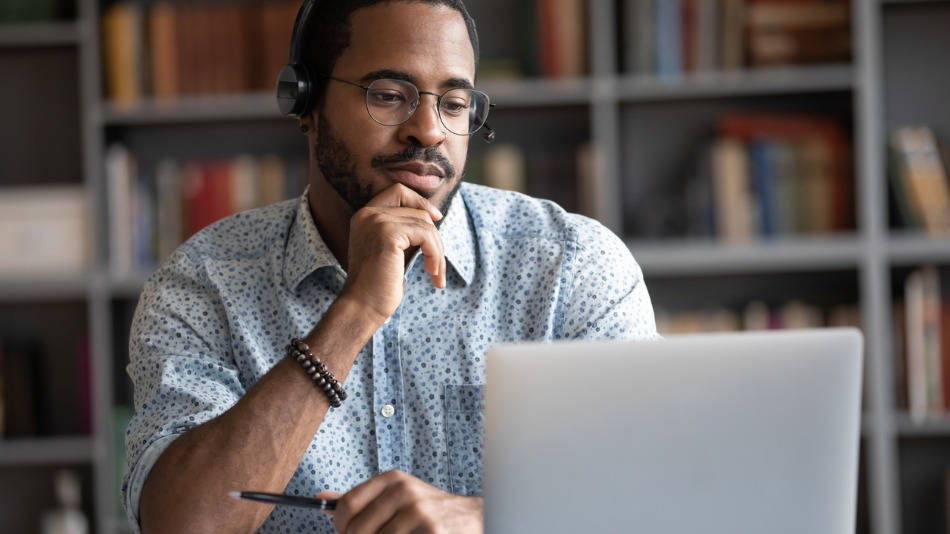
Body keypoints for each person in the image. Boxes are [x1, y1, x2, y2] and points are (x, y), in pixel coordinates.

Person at [123, 1, 658, 532]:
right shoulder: (203, 283)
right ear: (304, 103)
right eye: (388, 96)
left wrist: (487, 521)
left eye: (453, 103)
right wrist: (353, 312)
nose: (427, 130)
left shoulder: (572, 267)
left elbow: (654, 496)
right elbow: (183, 524)